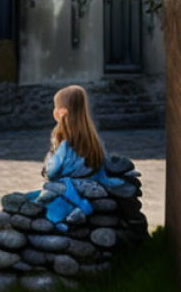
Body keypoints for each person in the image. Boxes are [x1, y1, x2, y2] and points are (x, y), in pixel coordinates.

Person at [29, 85, 124, 230]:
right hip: (92, 183)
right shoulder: (94, 139)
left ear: (62, 112)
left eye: (56, 107)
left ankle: (70, 215)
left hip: (69, 186)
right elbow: (102, 163)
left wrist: (50, 156)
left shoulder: (64, 143)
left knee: (47, 194)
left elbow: (52, 172)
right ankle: (77, 210)